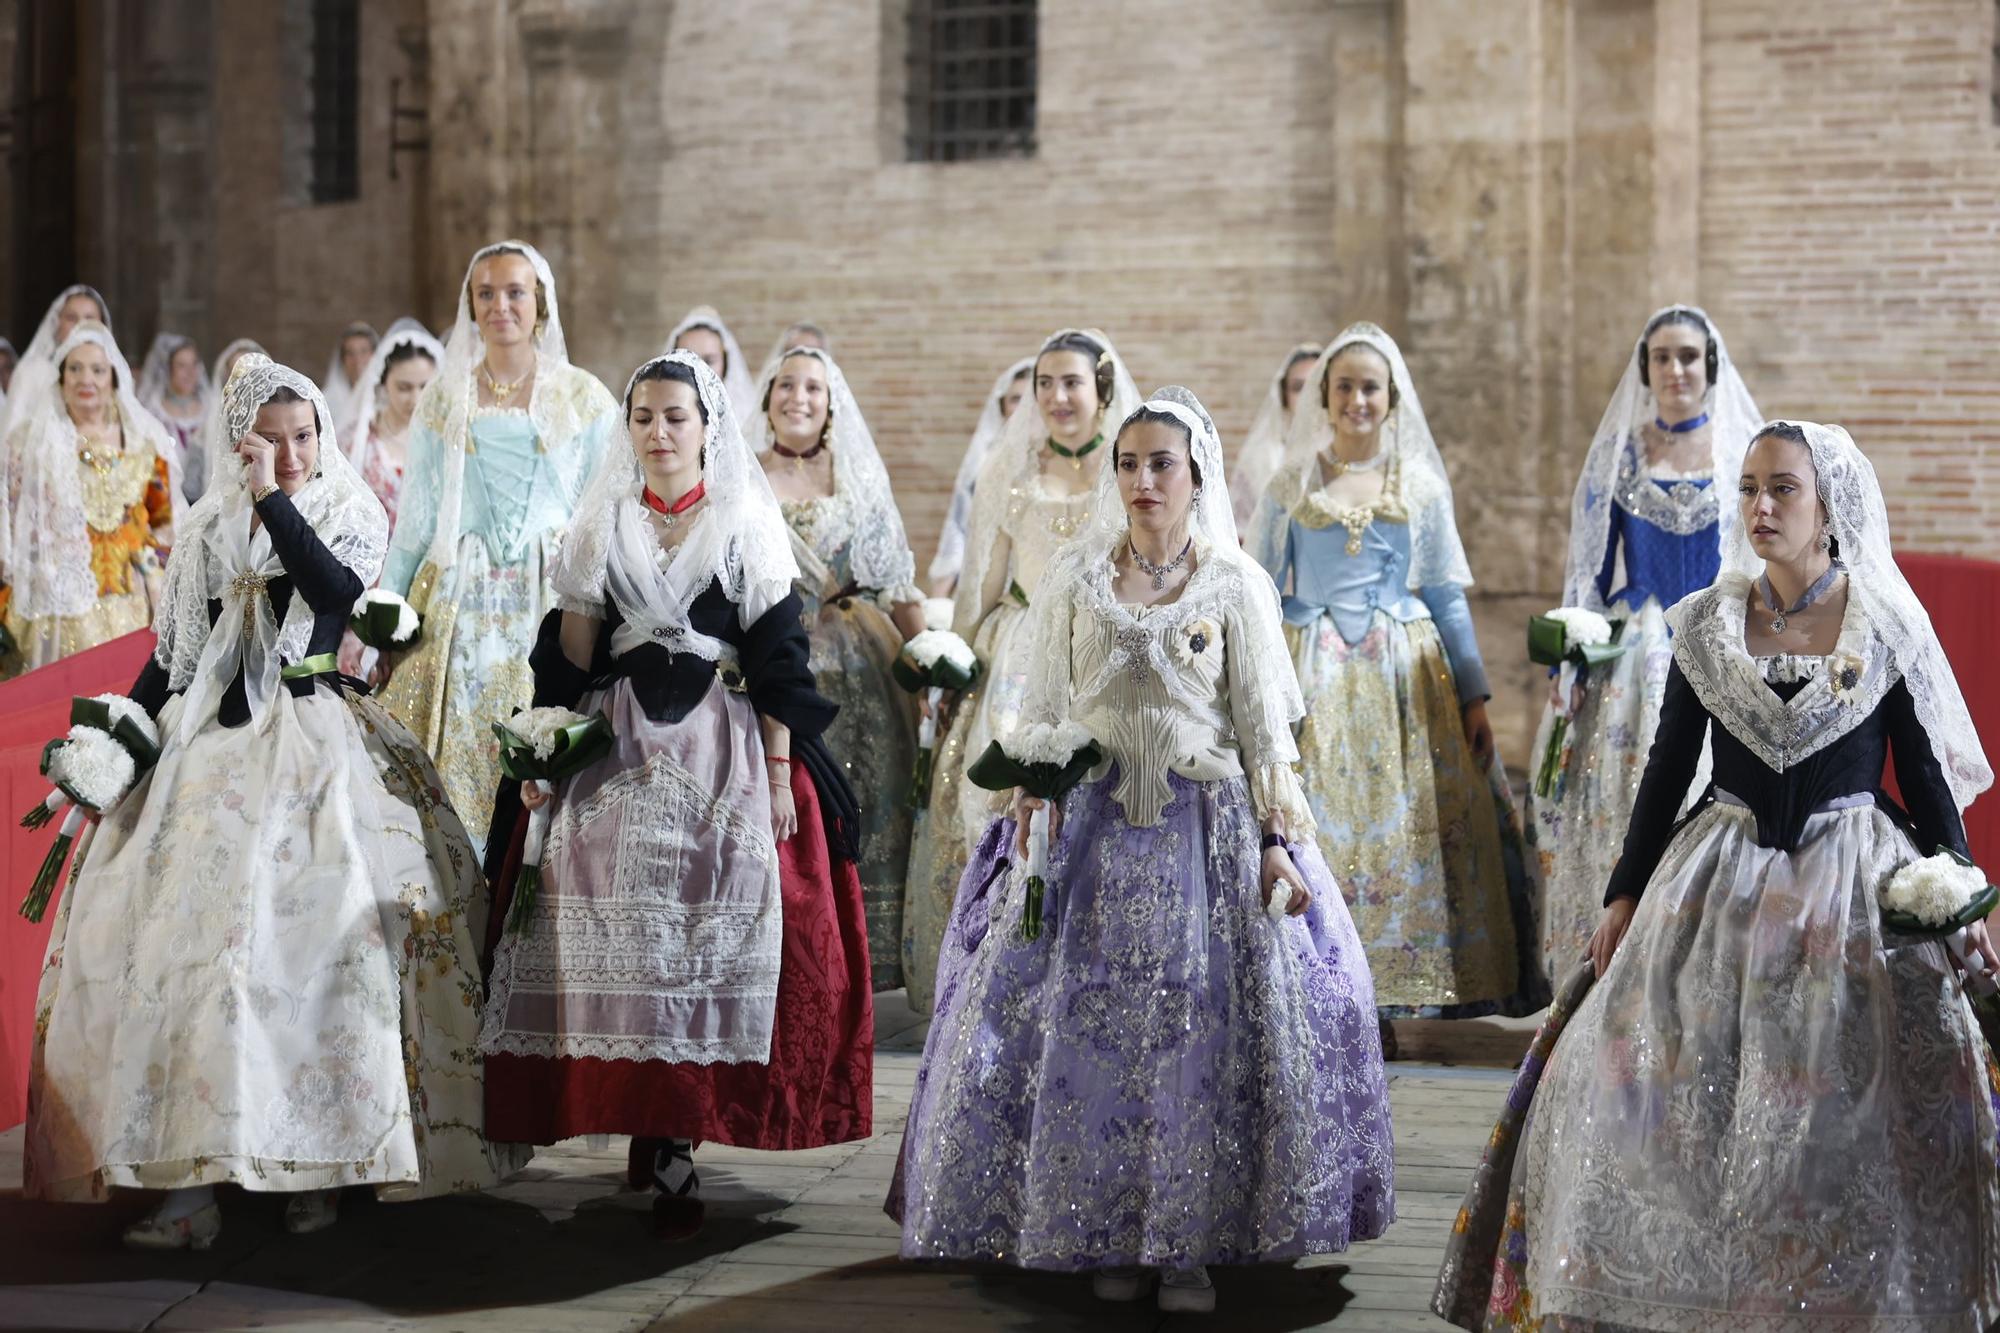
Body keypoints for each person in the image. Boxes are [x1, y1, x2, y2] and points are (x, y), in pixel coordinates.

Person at [1433, 419, 2000, 1332]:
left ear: (1829, 509)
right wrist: (1623, 893)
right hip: (1716, 880)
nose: (1760, 506)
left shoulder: (1885, 624)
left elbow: (1926, 778)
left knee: (1863, 1092)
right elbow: (1666, 773)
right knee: (1638, 1072)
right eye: (1748, 489)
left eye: (1783, 489)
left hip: (1847, 886)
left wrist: (1959, 890)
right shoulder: (1703, 623)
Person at [891, 386, 1395, 1315]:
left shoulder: (1233, 584)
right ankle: (1097, 1227)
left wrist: (1282, 841)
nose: (1142, 480)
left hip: (1205, 839)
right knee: (1089, 1041)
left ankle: (1189, 1244)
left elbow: (1265, 732)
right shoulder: (1078, 581)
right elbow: (1041, 709)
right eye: (1128, 463)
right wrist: (1025, 815)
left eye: (1161, 463)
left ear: (1195, 472)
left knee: (1195, 1039)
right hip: (1087, 839)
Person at [25, 355, 516, 1250]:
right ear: (236, 440)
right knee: (187, 950)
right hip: (205, 751)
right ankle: (189, 1183)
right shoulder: (207, 524)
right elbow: (174, 656)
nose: (289, 454)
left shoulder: (346, 505)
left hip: (315, 735)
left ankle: (326, 1163)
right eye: (269, 441)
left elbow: (337, 594)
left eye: (303, 438)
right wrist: (121, 736)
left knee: (321, 946)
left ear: (322, 436)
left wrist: (273, 502)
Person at [479, 350, 872, 1229]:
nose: (658, 432)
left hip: (721, 741)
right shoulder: (599, 525)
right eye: (644, 417)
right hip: (616, 743)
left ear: (707, 427)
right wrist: (542, 758)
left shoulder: (743, 523)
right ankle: (638, 1116)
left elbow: (778, 664)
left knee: (707, 902)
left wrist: (778, 773)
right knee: (600, 902)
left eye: (675, 417)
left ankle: (675, 1133)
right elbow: (572, 660)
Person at [1247, 323, 1544, 1042]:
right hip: (1311, 671)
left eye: (1369, 387)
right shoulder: (1291, 484)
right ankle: (1318, 981)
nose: (1356, 398)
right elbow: (1258, 586)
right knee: (1321, 824)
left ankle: (1395, 988)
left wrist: (1473, 694)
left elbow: (1444, 593)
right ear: (1325, 395)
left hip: (1405, 683)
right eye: (1343, 385)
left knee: (1410, 829)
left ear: (1391, 399)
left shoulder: (1419, 486)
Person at [902, 330, 1139, 1013]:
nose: (1057, 397)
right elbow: (981, 579)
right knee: (990, 807)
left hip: (1097, 650)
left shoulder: (1127, 469)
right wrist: (957, 664)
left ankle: (1086, 966)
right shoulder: (1009, 470)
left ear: (1101, 388)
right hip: (1017, 650)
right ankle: (994, 973)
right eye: (1045, 383)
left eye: (1071, 382)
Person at [1526, 305, 1762, 980]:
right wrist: (1570, 659)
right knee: (1622, 795)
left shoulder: (1740, 452)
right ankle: (1607, 963)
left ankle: (1700, 964)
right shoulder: (1623, 454)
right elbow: (1592, 573)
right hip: (1636, 653)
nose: (1676, 369)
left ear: (1708, 366)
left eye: (1689, 355)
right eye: (1663, 356)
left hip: (1723, 641)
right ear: (1646, 367)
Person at [376, 241, 616, 854]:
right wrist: (387, 619)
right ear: (471, 305)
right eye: (486, 293)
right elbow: (416, 520)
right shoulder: (444, 397)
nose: (501, 305)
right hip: (463, 595)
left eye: (515, 292)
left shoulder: (584, 397)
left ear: (540, 303)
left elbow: (607, 510)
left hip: (551, 590)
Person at [753, 345, 925, 990]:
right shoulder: (743, 475)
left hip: (856, 661)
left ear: (831, 406)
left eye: (814, 389)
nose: (799, 397)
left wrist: (932, 661)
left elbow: (898, 583)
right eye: (787, 385)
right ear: (767, 398)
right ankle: (786, 954)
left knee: (869, 796)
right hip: (773, 661)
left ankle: (859, 956)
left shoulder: (855, 478)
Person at [0, 320, 174, 676]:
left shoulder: (142, 443)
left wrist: (156, 573)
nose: (86, 380)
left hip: (131, 594)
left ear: (113, 378)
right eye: (75, 369)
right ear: (61, 379)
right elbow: (13, 519)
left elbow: (161, 518)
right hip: (59, 599)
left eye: (97, 370)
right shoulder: (28, 443)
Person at [926, 354, 1032, 597]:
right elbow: (959, 525)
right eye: (1016, 399)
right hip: (983, 578)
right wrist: (938, 598)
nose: (1024, 406)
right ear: (1002, 407)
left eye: (1030, 398)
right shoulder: (984, 463)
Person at [341, 317, 443, 535]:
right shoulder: (356, 441)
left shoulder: (444, 437)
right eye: (404, 387)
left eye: (424, 386)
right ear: (384, 382)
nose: (415, 399)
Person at [0, 285, 112, 448]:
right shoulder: (33, 372)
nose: (80, 325)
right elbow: (9, 441)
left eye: (89, 318)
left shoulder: (112, 373)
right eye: (72, 318)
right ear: (57, 324)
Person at [1228, 342, 1321, 530]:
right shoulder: (1260, 456)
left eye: (1316, 385)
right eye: (1298, 387)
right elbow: (1241, 528)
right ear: (1284, 396)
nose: (1307, 396)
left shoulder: (1347, 451)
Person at [183, 338, 265, 503]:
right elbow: (191, 492)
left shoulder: (278, 426)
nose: (245, 381)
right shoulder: (205, 435)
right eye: (238, 373)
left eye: (252, 372)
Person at [136, 333, 210, 495]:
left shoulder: (209, 408)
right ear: (168, 370)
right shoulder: (153, 411)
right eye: (181, 366)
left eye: (193, 364)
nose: (189, 373)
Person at [667, 305, 757, 426]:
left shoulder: (746, 418)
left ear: (725, 363)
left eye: (709, 361)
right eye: (686, 359)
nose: (697, 370)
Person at [320, 320, 379, 436]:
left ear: (374, 354)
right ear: (342, 359)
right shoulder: (328, 400)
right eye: (350, 353)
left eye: (364, 351)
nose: (357, 360)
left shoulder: (386, 395)